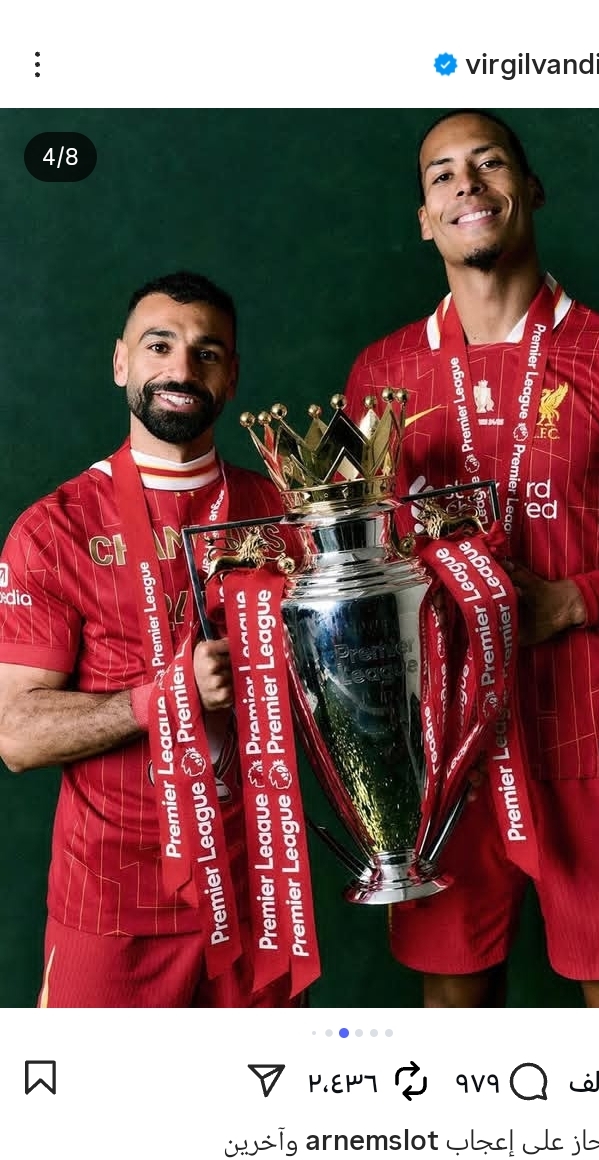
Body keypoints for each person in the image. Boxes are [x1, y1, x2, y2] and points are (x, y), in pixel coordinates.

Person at [343, 110, 599, 1009]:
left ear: (530, 188)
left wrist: (570, 603)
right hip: (445, 750)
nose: (466, 185)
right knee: (455, 1015)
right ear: (424, 219)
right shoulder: (381, 375)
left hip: (591, 737)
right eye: (442, 175)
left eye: (489, 163)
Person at [0, 271, 302, 1008]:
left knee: (267, 1093)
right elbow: (16, 733)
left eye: (206, 353)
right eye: (159, 346)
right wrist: (165, 696)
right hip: (112, 908)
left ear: (232, 376)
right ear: (120, 362)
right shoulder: (55, 528)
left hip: (262, 897)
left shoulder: (285, 510)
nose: (181, 369)